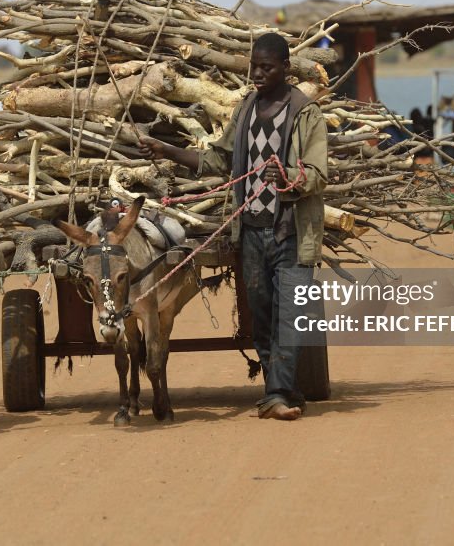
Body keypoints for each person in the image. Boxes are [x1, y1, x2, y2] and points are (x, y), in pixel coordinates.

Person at [137, 32, 328, 421]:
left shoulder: (305, 114)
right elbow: (218, 162)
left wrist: (288, 175)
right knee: (261, 316)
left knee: (290, 314)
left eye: (267, 67)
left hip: (291, 231)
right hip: (252, 230)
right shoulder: (245, 112)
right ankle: (285, 391)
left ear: (286, 70)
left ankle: (275, 394)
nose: (257, 74)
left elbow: (319, 174)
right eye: (254, 66)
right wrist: (167, 150)